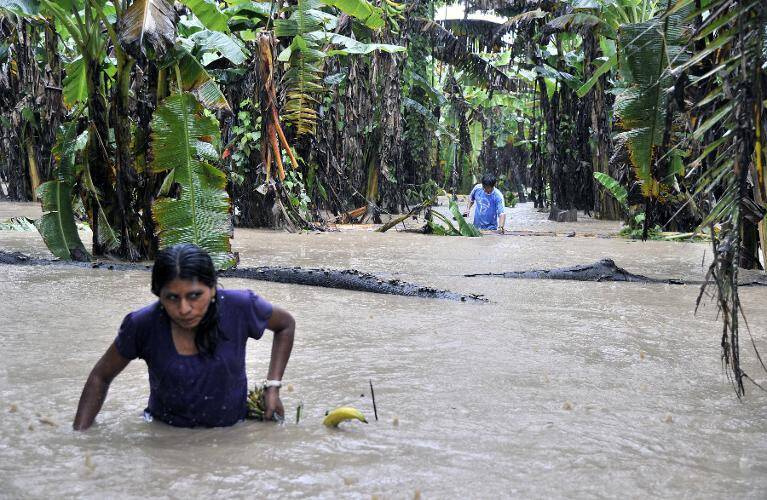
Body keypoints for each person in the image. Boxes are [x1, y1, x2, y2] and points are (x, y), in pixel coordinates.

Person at [73, 244, 295, 430]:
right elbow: (100, 377)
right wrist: (80, 439)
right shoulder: (142, 325)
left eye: (195, 296)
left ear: (213, 288)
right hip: (164, 434)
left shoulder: (241, 307)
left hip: (231, 433)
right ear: (158, 295)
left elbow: (285, 325)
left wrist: (273, 386)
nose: (184, 309)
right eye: (171, 298)